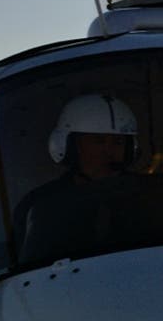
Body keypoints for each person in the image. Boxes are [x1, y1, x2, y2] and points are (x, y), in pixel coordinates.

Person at [13, 94, 150, 263]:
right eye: (98, 141)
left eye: (118, 142)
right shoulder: (41, 205)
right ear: (70, 146)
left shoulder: (148, 196)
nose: (108, 151)